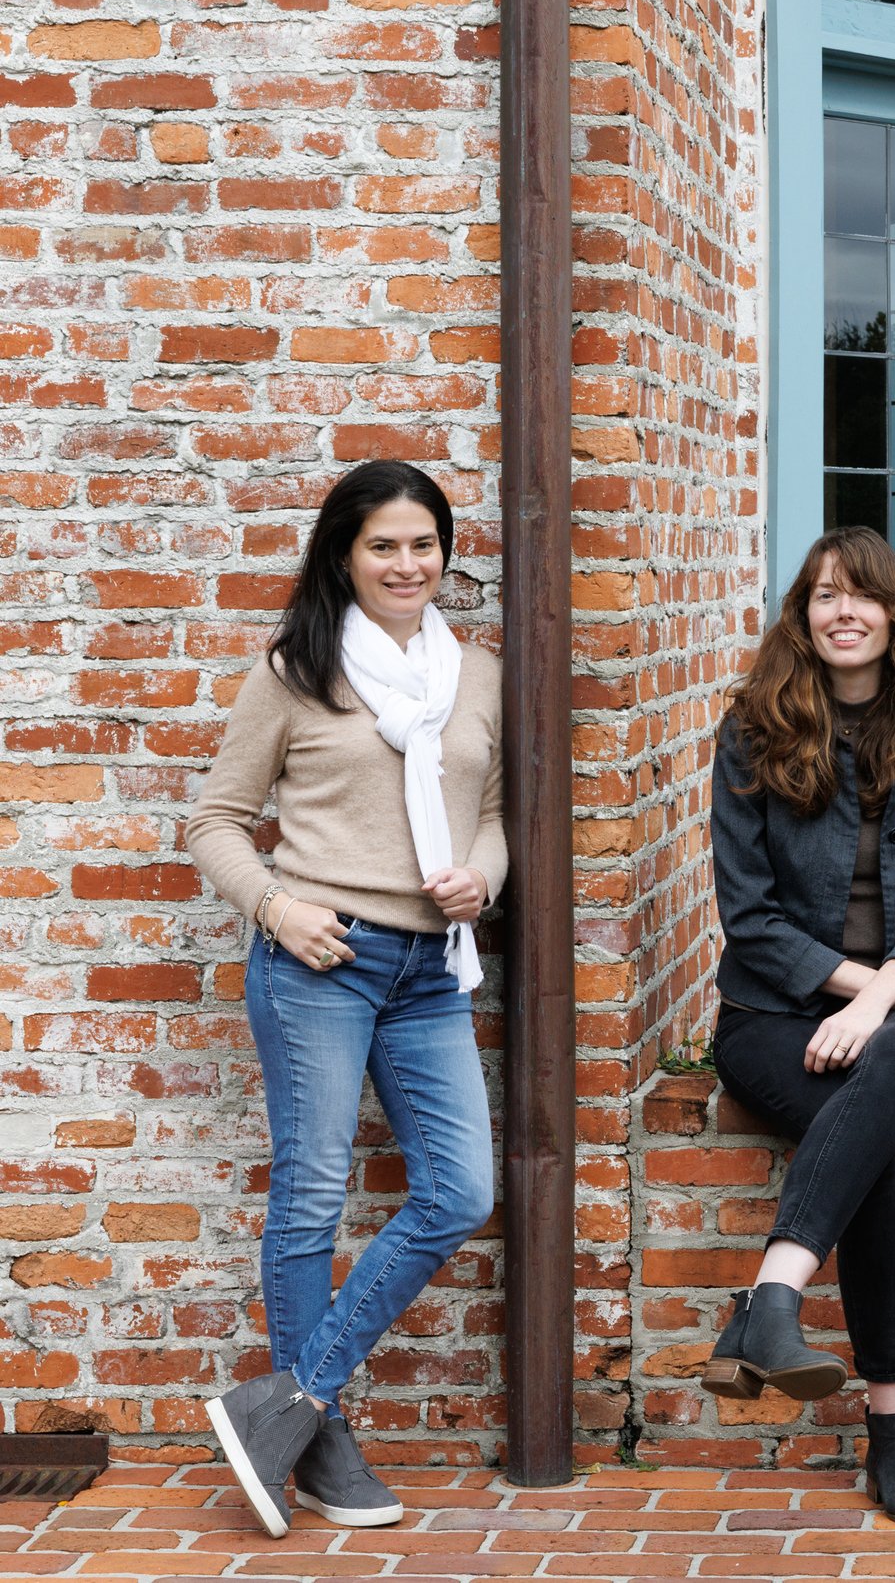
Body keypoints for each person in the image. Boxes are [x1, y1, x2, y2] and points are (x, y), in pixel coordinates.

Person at [188, 460, 504, 1538]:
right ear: (344, 555)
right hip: (319, 962)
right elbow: (215, 821)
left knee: (460, 1192)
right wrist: (279, 911)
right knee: (312, 1199)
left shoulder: (478, 675)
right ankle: (318, 1442)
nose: (407, 565)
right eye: (384, 546)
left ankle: (289, 1401)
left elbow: (494, 812)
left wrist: (484, 875)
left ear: (445, 556)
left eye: (424, 545)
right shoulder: (294, 671)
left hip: (430, 971)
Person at [701, 527, 895, 1529]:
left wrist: (875, 1002)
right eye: (823, 596)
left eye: (862, 595)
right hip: (772, 1022)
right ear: (802, 615)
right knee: (886, 1151)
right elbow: (752, 919)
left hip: (884, 1021)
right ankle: (893, 1428)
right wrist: (888, 992)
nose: (843, 612)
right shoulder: (750, 731)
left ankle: (769, 1301)